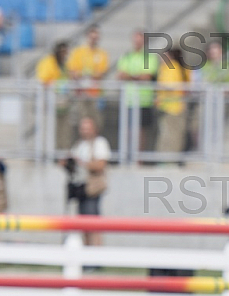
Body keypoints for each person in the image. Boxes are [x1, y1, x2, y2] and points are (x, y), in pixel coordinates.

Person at [63, 117, 111, 249]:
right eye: (83, 128)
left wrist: (82, 163)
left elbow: (101, 164)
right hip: (80, 188)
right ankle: (87, 252)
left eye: (87, 128)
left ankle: (96, 254)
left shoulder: (99, 143)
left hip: (92, 189)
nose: (84, 131)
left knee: (93, 224)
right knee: (83, 224)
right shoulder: (79, 144)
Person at [117, 30, 160, 159]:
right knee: (128, 129)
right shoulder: (127, 56)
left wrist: (130, 76)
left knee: (141, 131)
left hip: (143, 100)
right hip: (129, 99)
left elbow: (147, 76)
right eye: (135, 39)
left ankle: (138, 159)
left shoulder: (150, 57)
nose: (137, 42)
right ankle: (127, 156)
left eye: (140, 40)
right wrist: (137, 76)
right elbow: (121, 75)